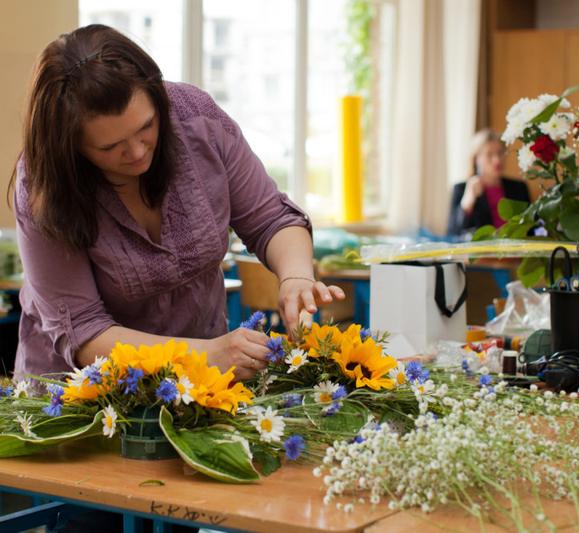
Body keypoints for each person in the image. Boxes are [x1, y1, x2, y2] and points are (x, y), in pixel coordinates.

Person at [10, 24, 346, 384]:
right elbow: (85, 332)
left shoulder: (195, 120)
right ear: (71, 147)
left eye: (147, 126)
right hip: (79, 397)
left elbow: (272, 219)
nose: (137, 152)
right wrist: (207, 354)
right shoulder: (42, 184)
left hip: (199, 387)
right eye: (110, 147)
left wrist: (295, 277)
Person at [447, 129, 531, 237]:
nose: (497, 160)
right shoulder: (461, 188)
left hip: (516, 250)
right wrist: (468, 202)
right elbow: (453, 233)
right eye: (489, 154)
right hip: (482, 252)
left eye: (500, 153)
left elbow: (531, 227)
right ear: (476, 159)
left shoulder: (519, 187)